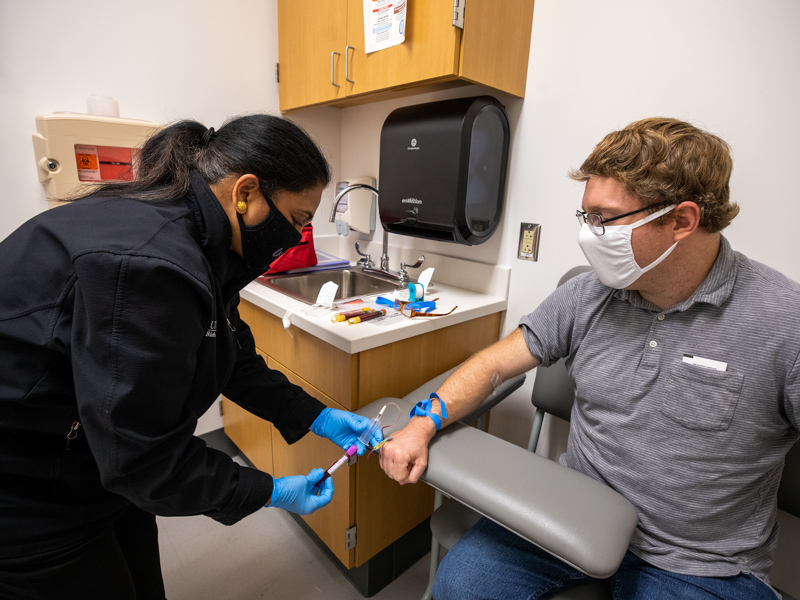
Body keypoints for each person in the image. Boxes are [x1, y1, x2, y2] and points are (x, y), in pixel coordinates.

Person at [379, 117, 800, 599]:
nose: (589, 235)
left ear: (682, 221)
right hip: (571, 516)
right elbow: (492, 364)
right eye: (586, 217)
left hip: (701, 563)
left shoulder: (785, 322)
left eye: (604, 219)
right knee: (460, 586)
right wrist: (422, 424)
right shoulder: (590, 294)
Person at [0, 114, 381, 600]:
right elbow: (144, 461)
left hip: (92, 459)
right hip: (26, 486)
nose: (296, 237)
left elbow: (229, 351)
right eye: (298, 220)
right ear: (246, 192)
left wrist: (317, 416)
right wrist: (268, 491)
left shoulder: (201, 239)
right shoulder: (151, 266)